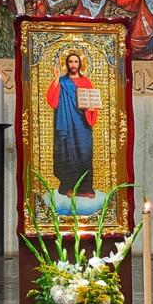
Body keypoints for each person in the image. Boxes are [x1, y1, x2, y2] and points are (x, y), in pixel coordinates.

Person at [46, 51, 98, 198]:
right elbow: (52, 101)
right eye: (70, 62)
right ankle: (68, 187)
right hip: (66, 125)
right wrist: (56, 78)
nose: (73, 64)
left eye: (76, 61)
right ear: (66, 64)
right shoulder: (62, 82)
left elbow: (92, 102)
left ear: (80, 64)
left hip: (83, 125)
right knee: (67, 153)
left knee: (85, 153)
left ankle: (86, 188)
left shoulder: (86, 82)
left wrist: (92, 108)